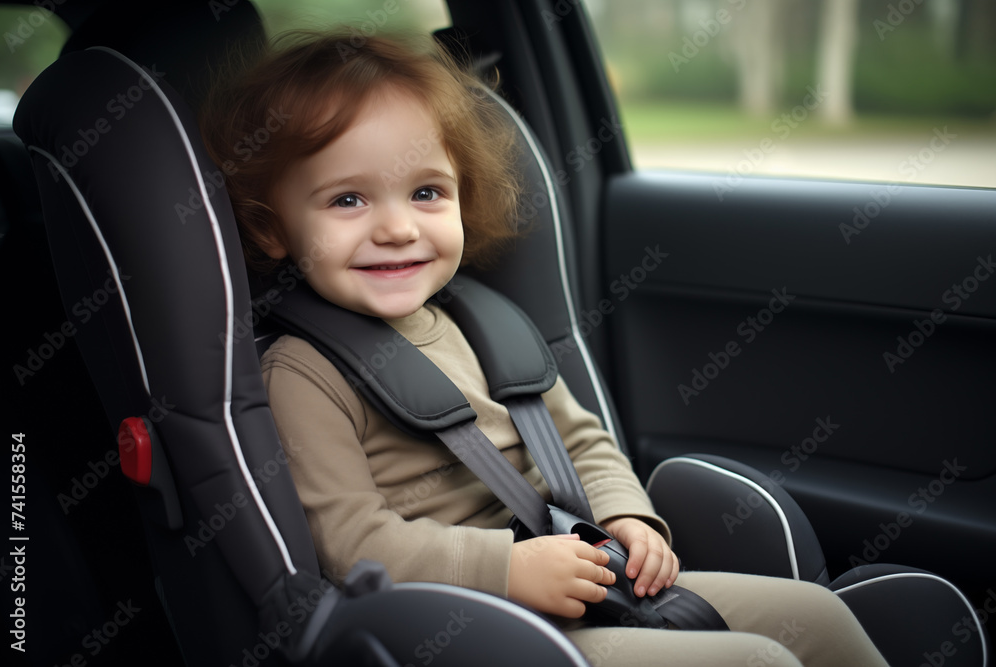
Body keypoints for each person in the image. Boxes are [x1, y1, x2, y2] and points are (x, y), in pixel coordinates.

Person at [201, 30, 889, 667]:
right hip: (465, 624)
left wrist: (626, 516)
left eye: (427, 192)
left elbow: (582, 441)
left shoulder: (486, 323)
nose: (398, 227)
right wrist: (507, 570)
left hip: (586, 577)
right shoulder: (302, 374)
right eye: (348, 200)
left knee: (819, 618)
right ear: (272, 229)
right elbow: (354, 547)